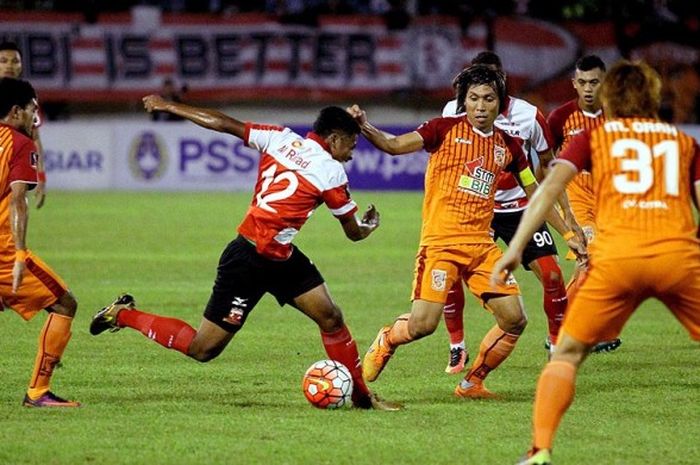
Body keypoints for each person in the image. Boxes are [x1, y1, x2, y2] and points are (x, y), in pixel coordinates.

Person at [90, 97, 400, 411]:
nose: (352, 153)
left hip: (280, 257)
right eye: (351, 143)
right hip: (248, 261)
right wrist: (369, 226)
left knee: (331, 317)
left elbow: (223, 122)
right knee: (203, 349)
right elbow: (353, 233)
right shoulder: (331, 172)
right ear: (333, 139)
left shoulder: (279, 137)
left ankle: (362, 398)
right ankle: (122, 314)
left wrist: (170, 107)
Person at [491, 60, 700, 465]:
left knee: (567, 353)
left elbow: (549, 189)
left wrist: (516, 246)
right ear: (654, 96)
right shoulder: (684, 143)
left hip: (616, 259)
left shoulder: (593, 138)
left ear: (609, 96)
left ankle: (539, 450)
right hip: (677, 258)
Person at [349, 65, 584, 399]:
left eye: (488, 99)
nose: (480, 106)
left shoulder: (509, 146)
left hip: (482, 248)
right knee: (423, 326)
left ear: (499, 102)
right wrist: (365, 126)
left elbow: (537, 195)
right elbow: (394, 145)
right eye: (473, 98)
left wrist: (569, 232)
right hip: (441, 245)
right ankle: (388, 338)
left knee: (515, 319)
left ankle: (472, 382)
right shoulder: (442, 129)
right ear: (464, 101)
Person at [440, 51, 577, 371]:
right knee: (447, 276)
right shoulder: (453, 111)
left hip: (520, 209)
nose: (482, 96)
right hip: (477, 210)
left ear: (503, 83)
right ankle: (457, 346)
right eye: (476, 87)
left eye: (491, 85)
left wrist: (567, 219)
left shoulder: (529, 116)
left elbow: (548, 164)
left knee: (554, 276)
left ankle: (556, 347)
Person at [0, 77, 80, 407]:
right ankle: (38, 392)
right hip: (3, 250)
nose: (35, 114)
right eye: (32, 108)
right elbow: (18, 200)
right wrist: (19, 255)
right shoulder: (19, 144)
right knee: (64, 303)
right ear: (16, 110)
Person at [548, 55, 621, 354]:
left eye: (595, 82)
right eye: (583, 83)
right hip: (576, 196)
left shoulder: (620, 117)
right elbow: (546, 162)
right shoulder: (560, 118)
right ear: (574, 84)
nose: (588, 89)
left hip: (610, 198)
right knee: (588, 260)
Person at [0, 41, 47, 208]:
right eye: (3, 61)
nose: (9, 66)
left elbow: (35, 140)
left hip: (12, 175)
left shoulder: (26, 97)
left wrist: (40, 176)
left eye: (15, 61)